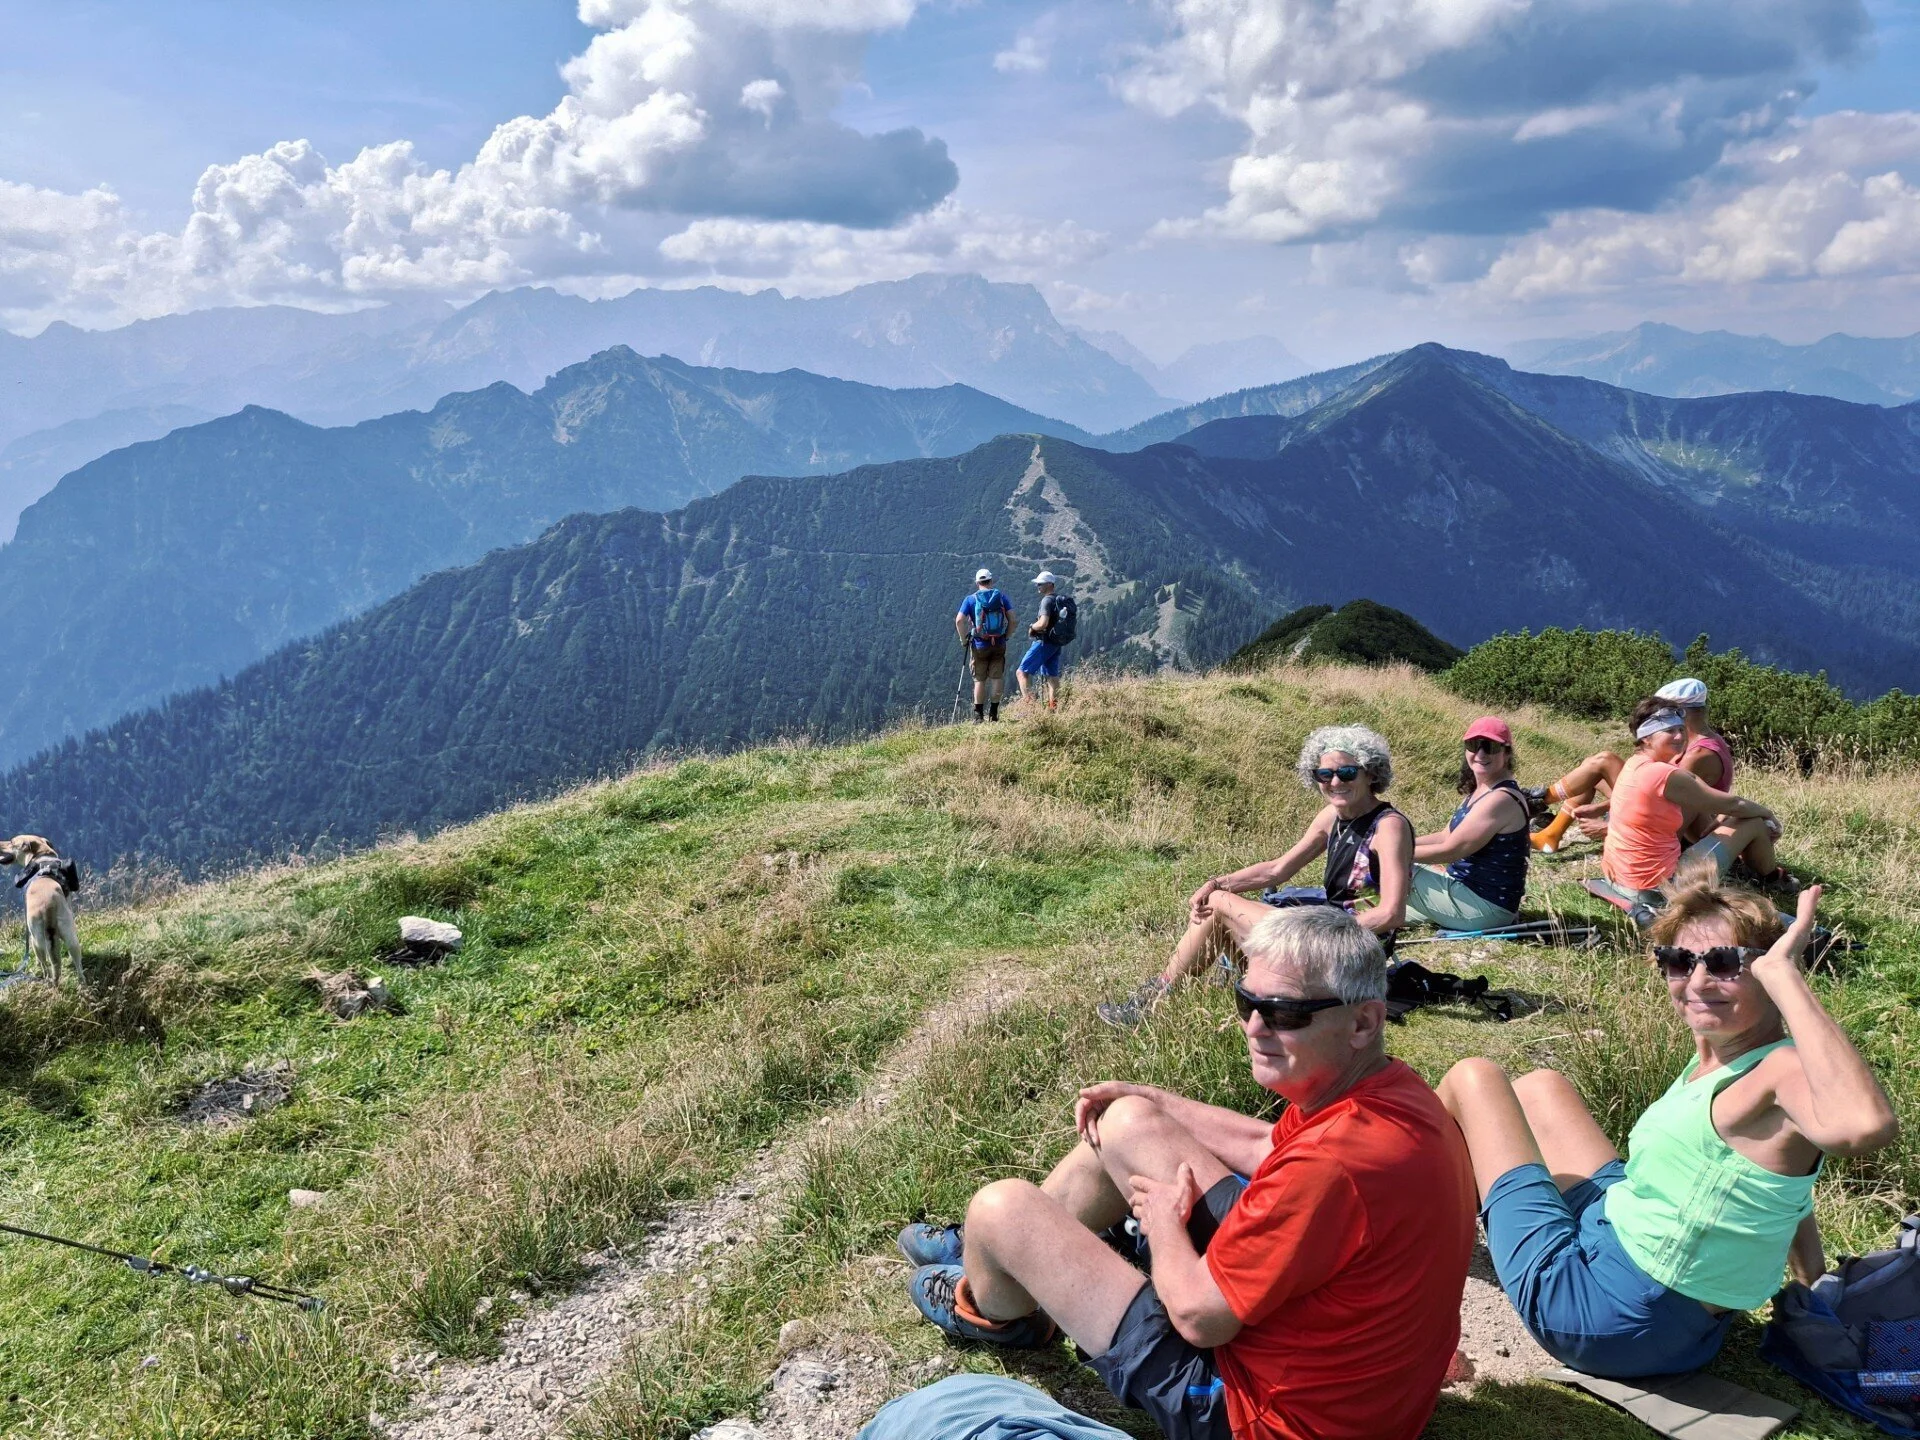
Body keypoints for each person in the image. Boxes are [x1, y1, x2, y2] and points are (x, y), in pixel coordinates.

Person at [895, 906, 1477, 1440]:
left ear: (1362, 1022)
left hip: (1264, 1414)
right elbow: (1267, 1142)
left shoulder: (1328, 1166)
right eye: (1247, 1003)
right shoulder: (1394, 1096)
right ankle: (1007, 1261)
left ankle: (994, 1305)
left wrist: (1166, 1228)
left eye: (1285, 1014)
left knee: (1004, 1209)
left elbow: (1201, 1320)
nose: (1254, 1027)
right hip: (1362, 1390)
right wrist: (1150, 1098)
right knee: (1126, 1122)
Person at [1437, 877, 1896, 1378]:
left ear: (1765, 970)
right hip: (1658, 1292)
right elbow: (1787, 1191)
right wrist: (1813, 1291)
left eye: (1724, 962)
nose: (1697, 982)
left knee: (1474, 1077)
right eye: (1679, 962)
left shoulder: (1781, 1068)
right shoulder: (1727, 1061)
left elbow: (1866, 1125)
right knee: (1540, 1087)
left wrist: (1786, 975)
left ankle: (1402, 1226)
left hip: (1610, 1317)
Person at [1097, 724, 1412, 1028]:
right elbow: (1279, 869)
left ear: (1371, 773)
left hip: (1353, 954)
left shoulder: (1388, 826)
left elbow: (1391, 913)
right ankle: (1165, 997)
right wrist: (1218, 882)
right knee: (1220, 907)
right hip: (1327, 940)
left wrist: (1318, 933)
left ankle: (1154, 1001)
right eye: (1324, 774)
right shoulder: (1334, 816)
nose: (1334, 782)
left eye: (1346, 773)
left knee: (1221, 906)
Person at [1601, 699, 1783, 912]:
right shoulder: (1664, 774)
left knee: (1738, 816)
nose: (1679, 736)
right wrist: (1768, 814)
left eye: (1681, 728)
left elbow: (1707, 798)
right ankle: (1772, 878)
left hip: (1618, 876)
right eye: (1669, 731)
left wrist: (1723, 813)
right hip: (1660, 889)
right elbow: (1735, 804)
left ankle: (1757, 870)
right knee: (1753, 821)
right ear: (1647, 738)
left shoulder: (1635, 764)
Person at [1529, 676, 1732, 853]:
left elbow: (1670, 809)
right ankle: (1549, 830)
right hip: (1668, 812)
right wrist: (1602, 807)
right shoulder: (1694, 740)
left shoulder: (1699, 754)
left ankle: (1534, 802)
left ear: (1681, 712)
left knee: (1604, 762)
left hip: (1684, 836)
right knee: (1594, 767)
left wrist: (1612, 826)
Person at [1406, 716, 1530, 933]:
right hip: (1467, 893)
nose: (1480, 754)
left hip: (1484, 907)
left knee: (1391, 868)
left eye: (1489, 747)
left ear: (1507, 752)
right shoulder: (1482, 790)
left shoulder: (1500, 798)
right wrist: (1399, 842)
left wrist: (1391, 853)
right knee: (1381, 900)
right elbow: (1446, 835)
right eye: (1473, 746)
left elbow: (1450, 851)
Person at [956, 568, 1017, 723]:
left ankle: (978, 716)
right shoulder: (1001, 597)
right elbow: (1013, 620)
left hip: (979, 645)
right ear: (991, 581)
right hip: (999, 643)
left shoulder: (971, 599)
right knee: (997, 677)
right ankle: (994, 714)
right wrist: (1006, 636)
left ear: (977, 582)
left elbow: (959, 620)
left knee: (979, 680)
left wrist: (964, 639)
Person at [1017, 570, 1069, 711]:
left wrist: (1032, 627)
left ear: (1049, 584)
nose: (1038, 586)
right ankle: (1053, 709)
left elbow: (1043, 623)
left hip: (1044, 642)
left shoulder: (1047, 600)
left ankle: (1031, 709)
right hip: (1056, 642)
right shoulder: (1059, 600)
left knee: (1022, 672)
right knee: (1051, 676)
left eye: (1040, 584)